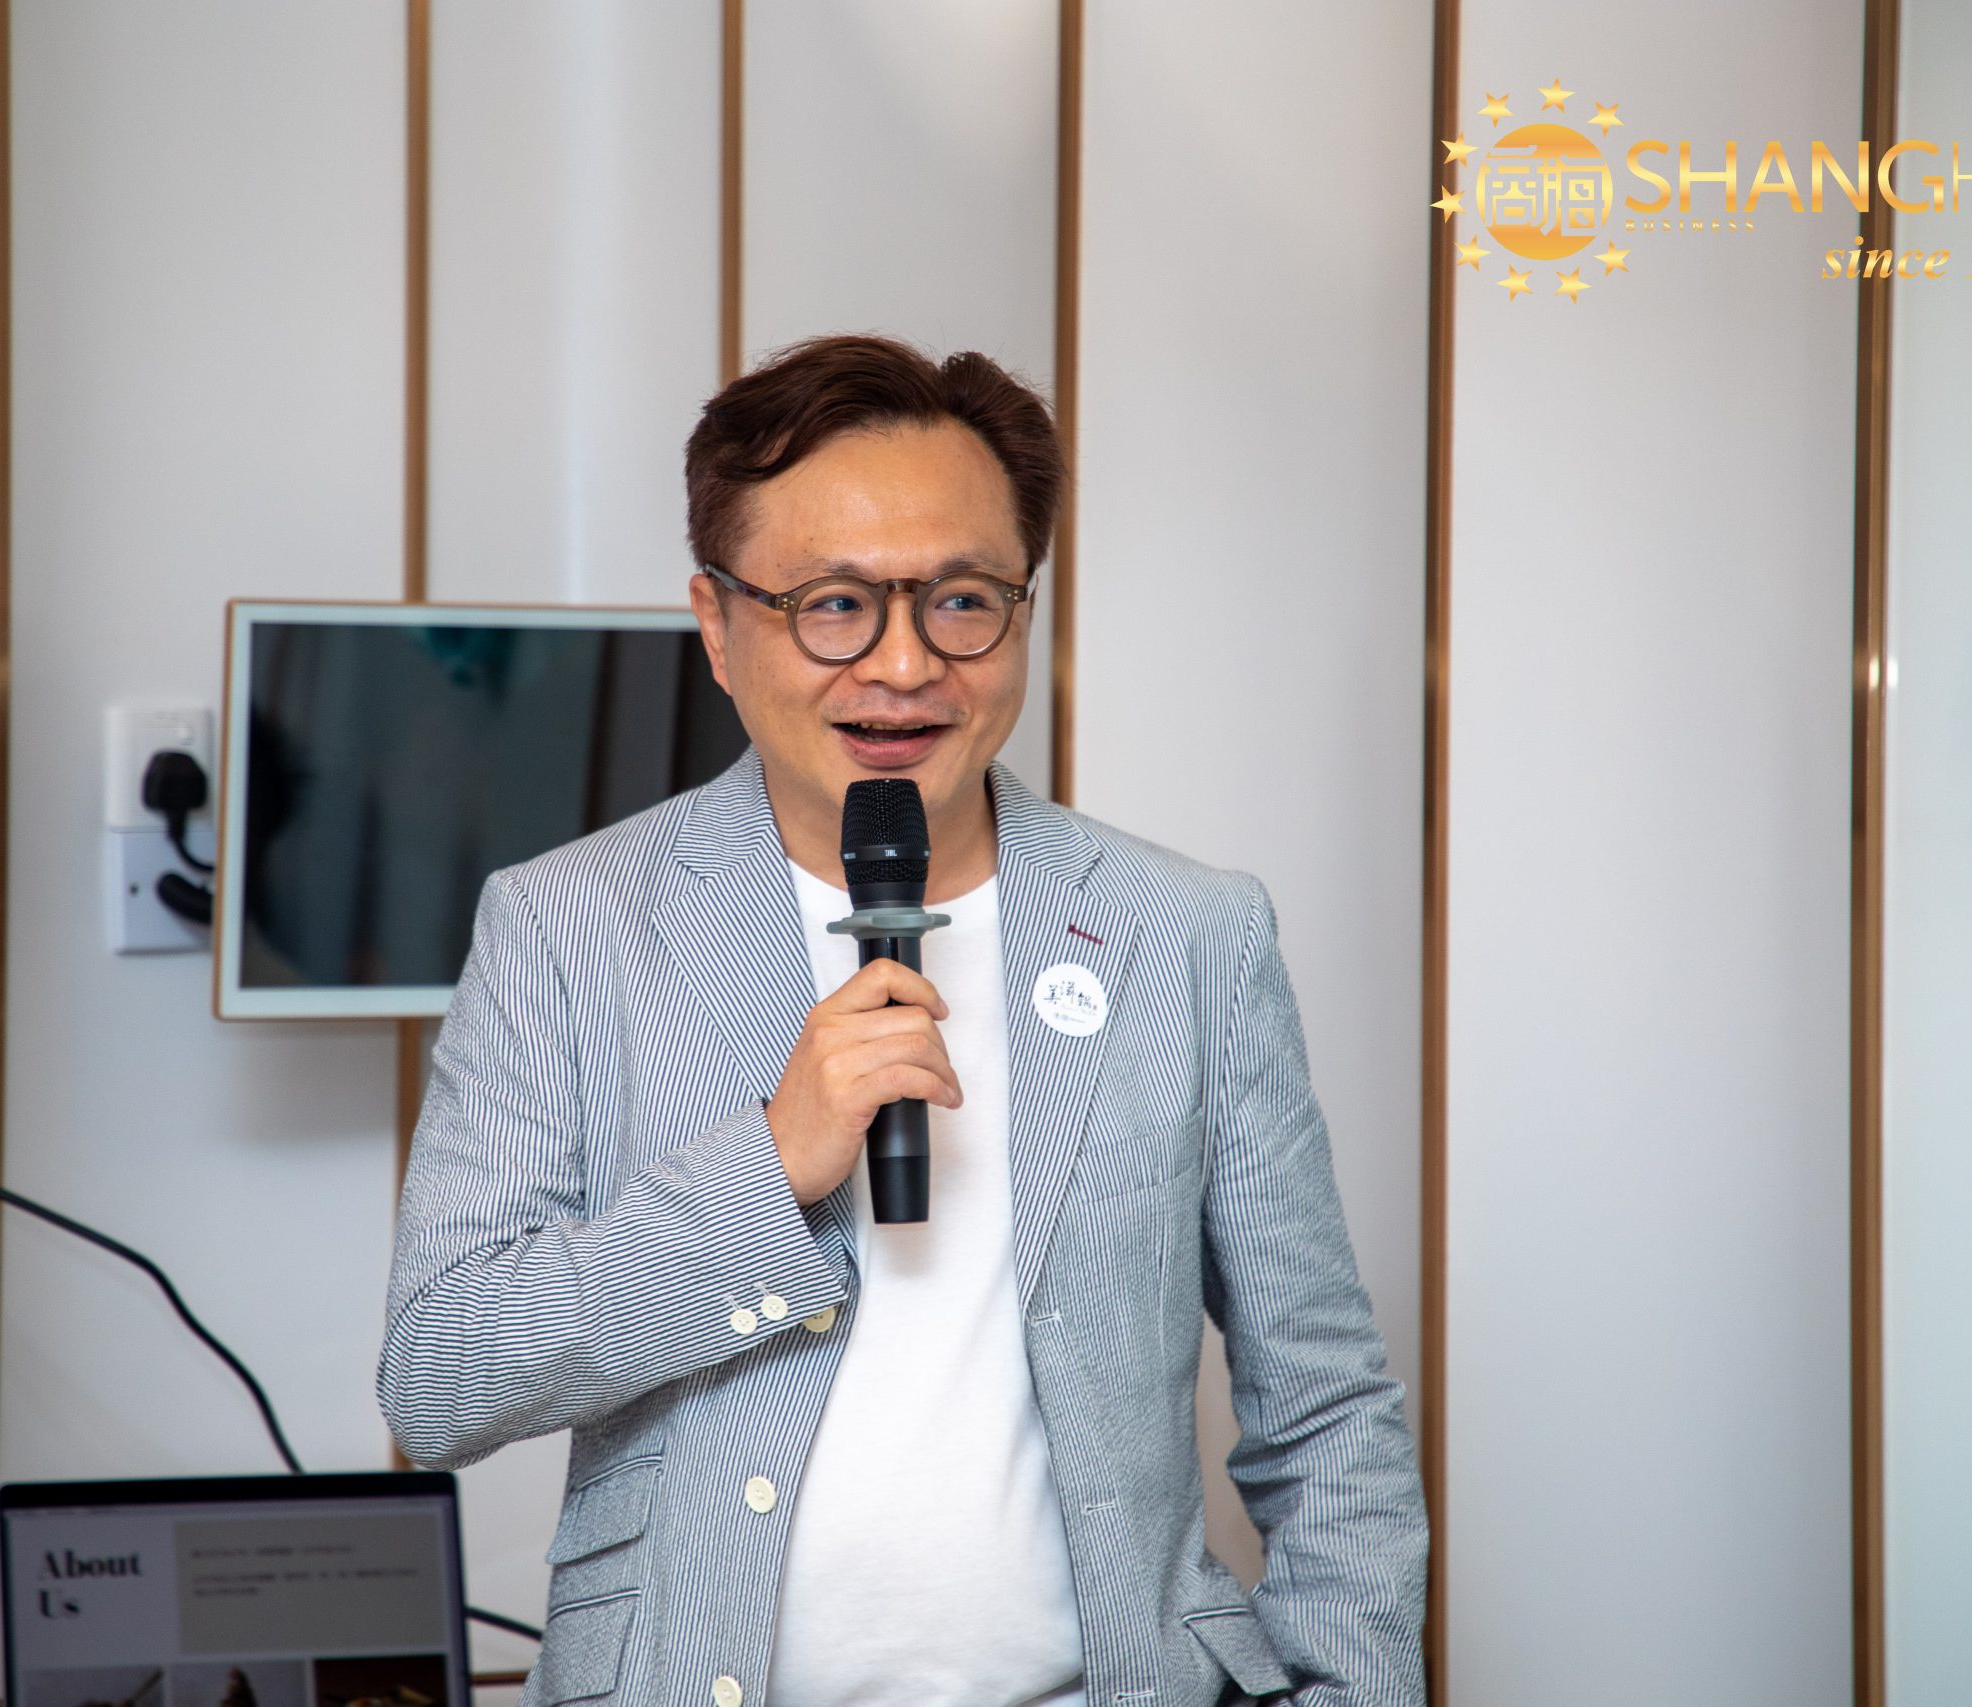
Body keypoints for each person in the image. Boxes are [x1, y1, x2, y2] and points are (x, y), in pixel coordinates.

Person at [379, 334, 1427, 1707]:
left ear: (1024, 615)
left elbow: (1327, 1407)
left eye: (963, 601)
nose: (904, 663)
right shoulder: (567, 928)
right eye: (833, 605)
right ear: (717, 624)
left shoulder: (1185, 933)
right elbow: (442, 1376)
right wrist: (768, 1166)